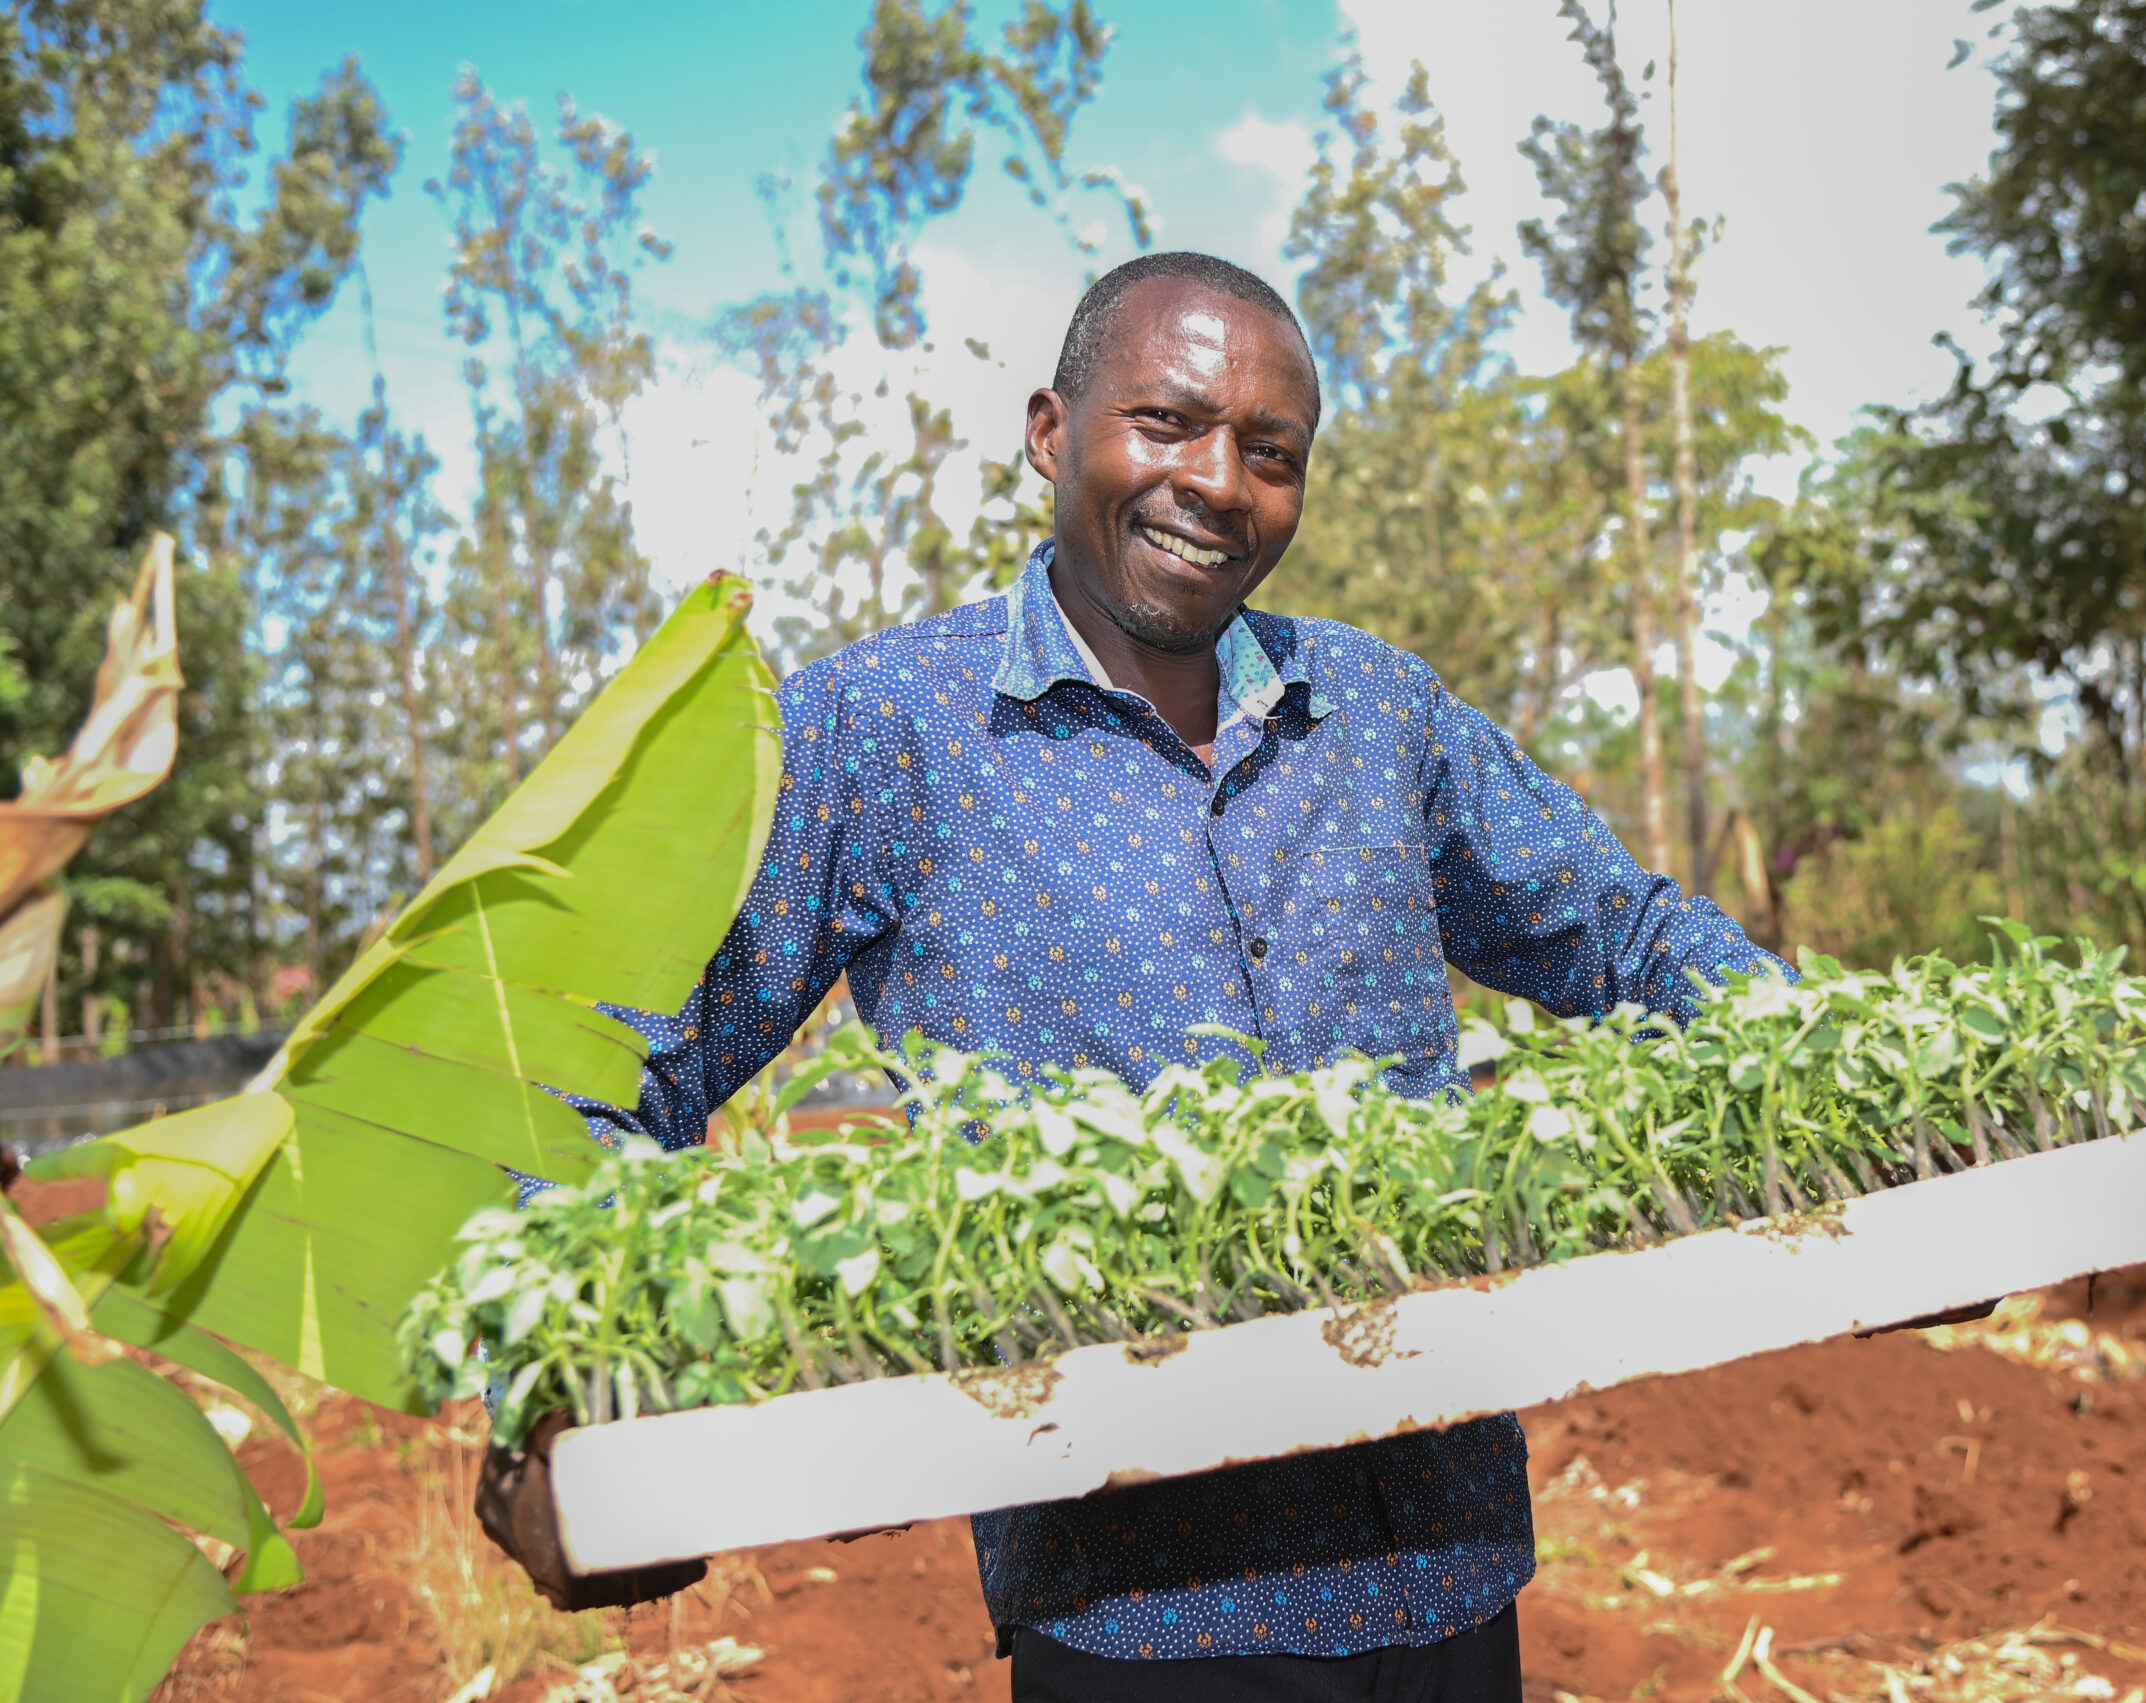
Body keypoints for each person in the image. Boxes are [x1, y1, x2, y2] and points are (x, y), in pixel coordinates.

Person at [476, 250, 1789, 1702]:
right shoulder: (888, 729)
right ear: (1051, 434)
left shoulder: (1383, 712)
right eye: (1167, 424)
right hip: (1141, 1621)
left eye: (1270, 452)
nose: (1220, 481)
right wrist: (558, 1409)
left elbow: (1626, 934)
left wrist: (1862, 1121)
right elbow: (619, 1057)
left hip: (1444, 1568)